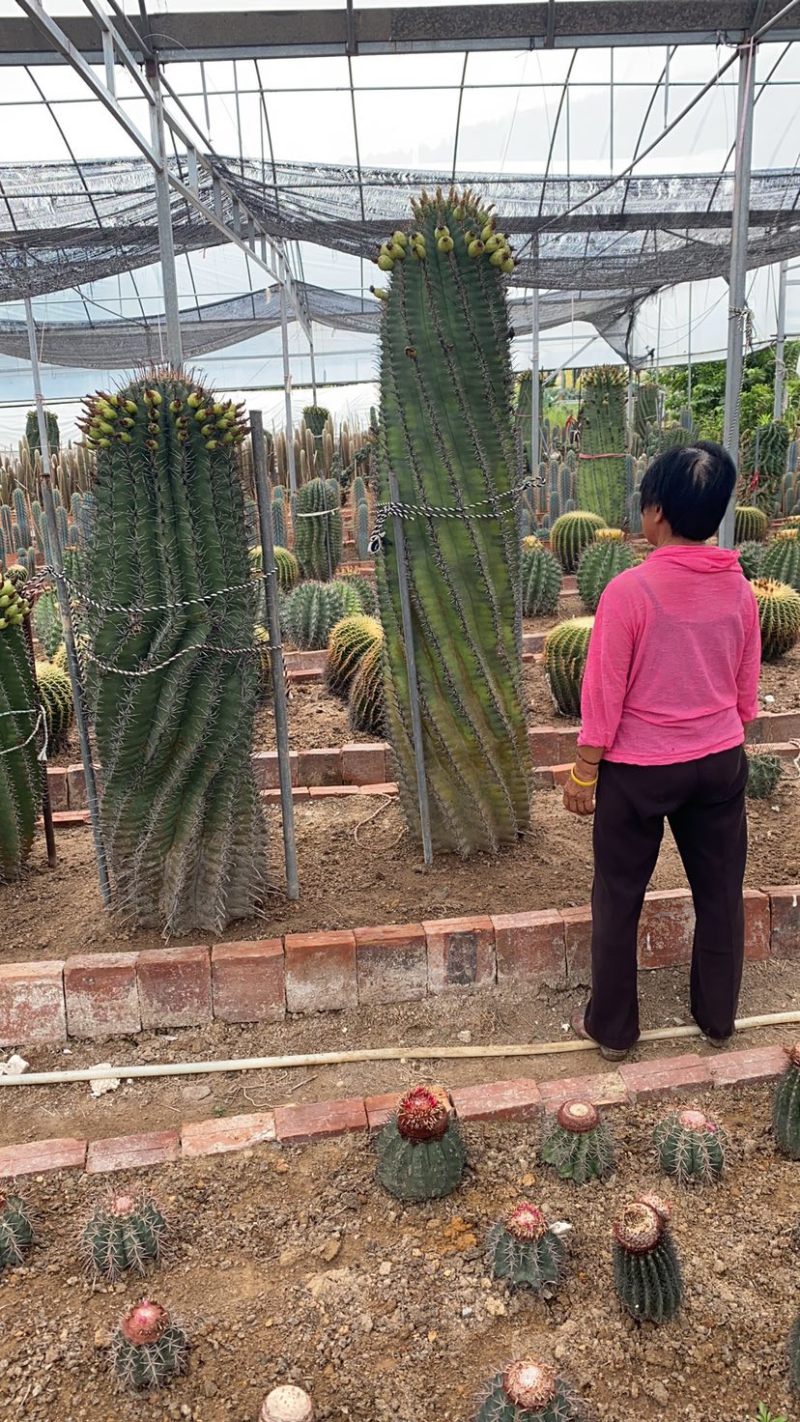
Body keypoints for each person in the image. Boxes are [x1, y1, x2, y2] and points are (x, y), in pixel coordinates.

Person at [563, 440, 761, 1062]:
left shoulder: (629, 592)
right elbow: (745, 690)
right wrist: (726, 737)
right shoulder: (740, 591)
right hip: (719, 764)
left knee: (619, 897)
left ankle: (615, 1029)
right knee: (721, 891)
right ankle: (717, 1019)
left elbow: (603, 694)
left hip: (638, 773)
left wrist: (583, 771)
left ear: (657, 512)